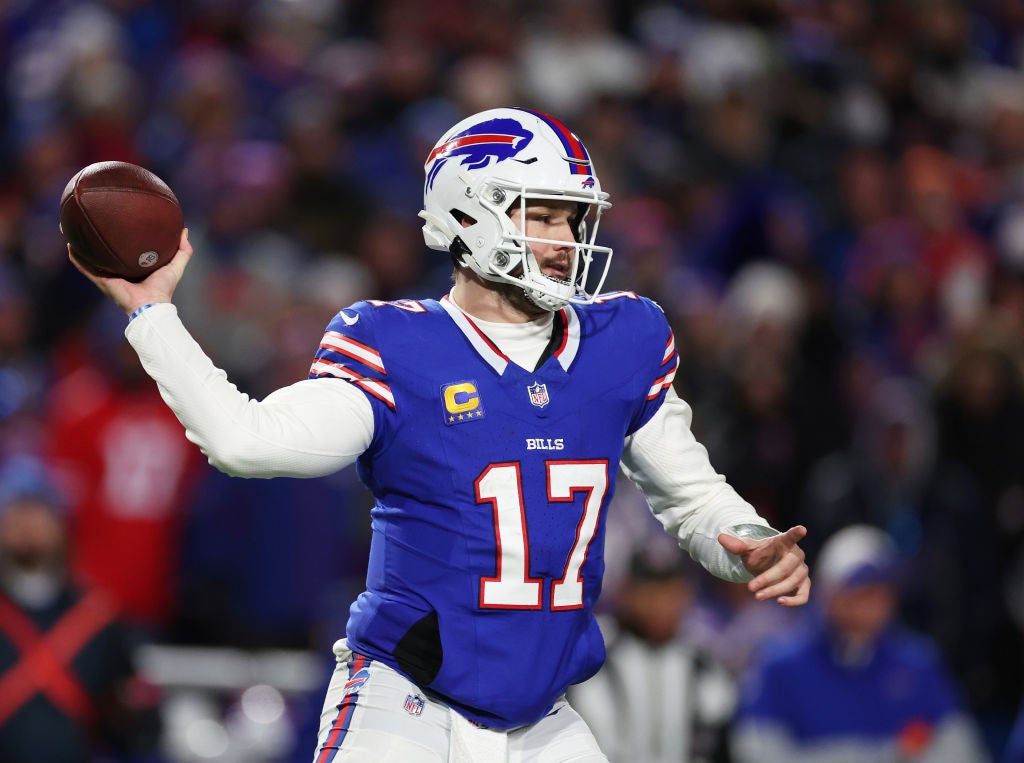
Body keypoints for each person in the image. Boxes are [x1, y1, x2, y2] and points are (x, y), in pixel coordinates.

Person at [69, 107, 810, 762]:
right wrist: (152, 313)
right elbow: (246, 441)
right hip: (406, 703)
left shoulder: (623, 338)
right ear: (468, 216)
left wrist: (750, 543)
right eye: (540, 215)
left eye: (572, 219)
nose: (564, 240)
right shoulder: (396, 345)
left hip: (543, 720)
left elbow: (695, 499)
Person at [731, 524, 989, 763]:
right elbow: (756, 749)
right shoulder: (780, 664)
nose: (877, 601)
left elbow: (961, 749)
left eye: (884, 589)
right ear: (828, 593)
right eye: (863, 589)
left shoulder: (917, 662)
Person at [0, 455, 161, 763]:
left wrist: (133, 710)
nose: (27, 525)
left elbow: (136, 727)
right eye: (16, 513)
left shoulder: (99, 620)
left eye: (38, 512)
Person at [568, 539, 738, 763]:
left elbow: (719, 745)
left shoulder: (704, 666)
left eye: (669, 591)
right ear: (626, 590)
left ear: (685, 593)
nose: (660, 603)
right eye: (649, 590)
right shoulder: (591, 652)